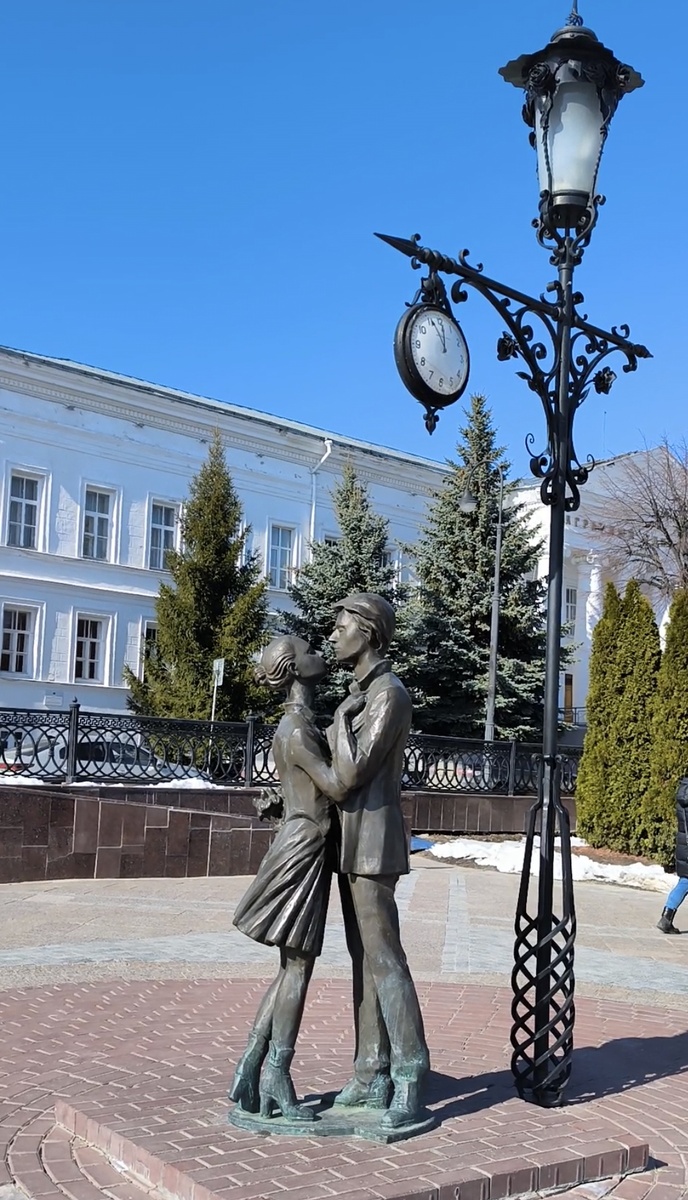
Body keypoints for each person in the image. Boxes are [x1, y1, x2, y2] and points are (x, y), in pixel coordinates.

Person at [229, 636, 347, 1120]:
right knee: (298, 966)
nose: (318, 649)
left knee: (289, 966)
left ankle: (252, 1062)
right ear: (294, 669)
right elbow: (338, 785)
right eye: (306, 649)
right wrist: (346, 729)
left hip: (298, 840)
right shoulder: (298, 730)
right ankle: (277, 1073)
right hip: (304, 847)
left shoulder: (292, 727)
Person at [327, 593, 430, 1131]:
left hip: (374, 842)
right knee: (362, 960)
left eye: (343, 626)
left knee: (384, 958)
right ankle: (372, 1070)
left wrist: (340, 722)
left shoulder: (387, 695)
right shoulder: (362, 696)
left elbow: (354, 772)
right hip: (351, 839)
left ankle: (411, 1071)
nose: (335, 635)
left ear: (367, 632)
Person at [657, 776, 688, 934]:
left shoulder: (683, 792)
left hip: (684, 844)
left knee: (685, 881)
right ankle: (666, 919)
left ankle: (666, 917)